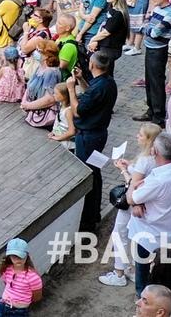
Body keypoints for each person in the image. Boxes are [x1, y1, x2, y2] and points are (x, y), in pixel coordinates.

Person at [99, 122, 163, 288]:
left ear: (149, 139)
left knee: (120, 234)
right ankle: (132, 269)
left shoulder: (145, 161)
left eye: (140, 135)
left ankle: (119, 272)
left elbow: (133, 184)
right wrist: (130, 165)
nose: (137, 136)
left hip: (132, 203)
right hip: (146, 205)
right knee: (135, 237)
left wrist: (123, 170)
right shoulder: (157, 159)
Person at [124, 132, 171, 295]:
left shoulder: (159, 180)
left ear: (155, 152)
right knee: (160, 273)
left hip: (148, 235)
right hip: (166, 231)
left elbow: (131, 198)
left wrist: (132, 185)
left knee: (143, 274)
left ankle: (143, 298)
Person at [70, 51, 118, 233]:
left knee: (89, 174)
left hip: (89, 136)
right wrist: (81, 79)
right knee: (95, 172)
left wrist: (71, 89)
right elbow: (91, 93)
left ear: (92, 65)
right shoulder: (108, 82)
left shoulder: (99, 88)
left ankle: (88, 218)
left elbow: (78, 110)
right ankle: (93, 213)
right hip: (98, 134)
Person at [0, 239, 43, 316]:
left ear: (26, 255)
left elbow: (37, 297)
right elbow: (7, 284)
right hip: (2, 306)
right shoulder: (6, 269)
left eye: (20, 256)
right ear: (9, 256)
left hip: (19, 312)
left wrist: (23, 299)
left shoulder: (33, 277)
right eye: (14, 256)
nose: (17, 259)